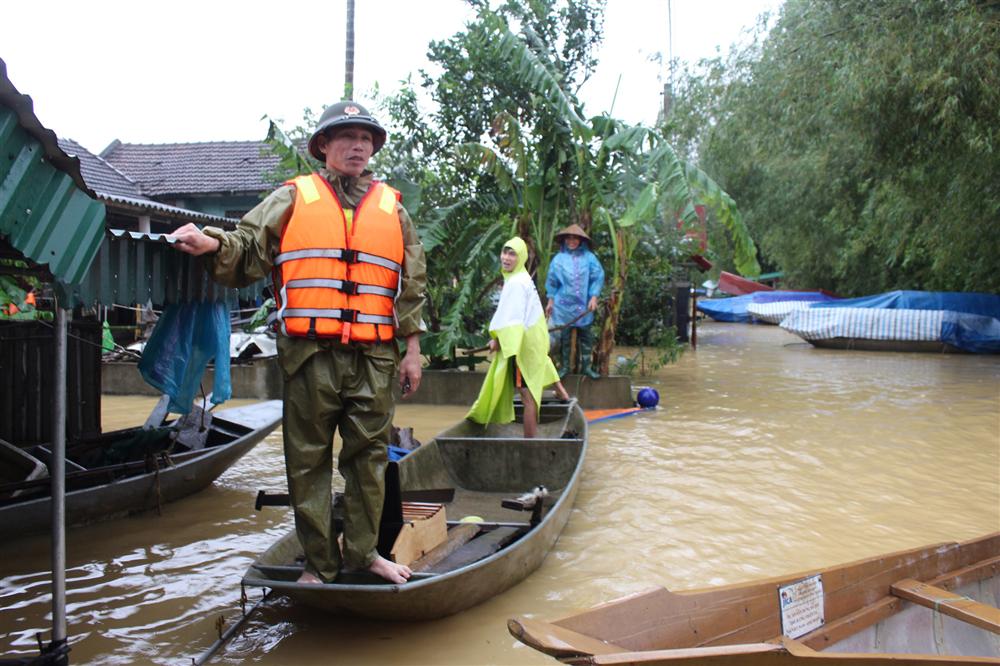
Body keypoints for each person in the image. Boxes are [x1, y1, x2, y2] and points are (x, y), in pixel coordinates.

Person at [170, 101, 426, 585]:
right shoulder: (292, 198)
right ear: (324, 146)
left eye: (366, 138)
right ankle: (319, 563)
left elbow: (410, 287)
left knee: (368, 460)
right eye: (346, 137)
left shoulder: (394, 210)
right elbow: (247, 246)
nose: (358, 145)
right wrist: (211, 243)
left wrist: (412, 352)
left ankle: (365, 554)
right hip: (310, 355)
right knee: (307, 460)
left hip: (374, 356)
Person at [467, 237, 570, 438]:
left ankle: (529, 442)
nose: (506, 257)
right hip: (535, 341)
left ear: (521, 257)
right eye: (505, 252)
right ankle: (562, 393)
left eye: (512, 253)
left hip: (524, 345)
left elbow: (513, 322)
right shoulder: (522, 278)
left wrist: (498, 340)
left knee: (527, 395)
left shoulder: (516, 283)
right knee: (533, 382)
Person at [545, 224, 605, 379]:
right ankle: (565, 367)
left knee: (586, 337)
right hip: (563, 306)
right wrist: (550, 301)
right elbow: (552, 281)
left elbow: (597, 276)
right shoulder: (558, 259)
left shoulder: (589, 258)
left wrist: (594, 297)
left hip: (583, 305)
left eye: (575, 238)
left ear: (580, 240)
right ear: (564, 240)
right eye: (569, 238)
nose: (572, 241)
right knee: (565, 338)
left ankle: (587, 367)